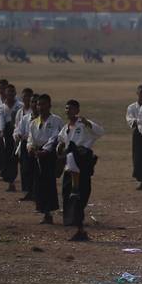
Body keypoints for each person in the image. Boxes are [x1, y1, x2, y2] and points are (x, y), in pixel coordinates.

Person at [57, 100, 104, 241]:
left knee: (79, 194)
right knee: (67, 194)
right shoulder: (65, 128)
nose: (68, 111)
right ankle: (72, 223)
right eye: (66, 108)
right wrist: (59, 147)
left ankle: (79, 228)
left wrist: (87, 123)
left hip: (83, 162)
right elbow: (61, 142)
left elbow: (100, 132)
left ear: (77, 110)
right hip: (69, 167)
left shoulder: (83, 124)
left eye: (71, 108)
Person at [27, 94, 64, 224]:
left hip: (50, 155)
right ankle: (43, 211)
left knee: (49, 183)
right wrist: (30, 147)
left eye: (43, 104)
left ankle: (49, 211)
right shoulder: (34, 122)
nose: (40, 107)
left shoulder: (56, 120)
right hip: (36, 154)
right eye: (38, 104)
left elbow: (55, 137)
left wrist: (45, 150)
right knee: (38, 183)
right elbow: (30, 137)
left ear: (49, 105)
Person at [0, 83, 22, 193]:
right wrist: (0, 131)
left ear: (15, 93)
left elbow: (21, 120)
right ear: (5, 93)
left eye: (12, 92)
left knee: (14, 158)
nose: (10, 94)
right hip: (5, 134)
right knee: (5, 157)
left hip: (17, 133)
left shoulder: (20, 106)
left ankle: (12, 182)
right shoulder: (1, 107)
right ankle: (9, 180)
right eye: (8, 92)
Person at [125, 84, 142, 191]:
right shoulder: (132, 107)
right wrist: (140, 122)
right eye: (141, 92)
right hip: (138, 134)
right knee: (138, 157)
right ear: (137, 93)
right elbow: (130, 120)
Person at [13, 88, 36, 201]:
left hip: (37, 146)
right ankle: (28, 192)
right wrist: (17, 135)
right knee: (25, 169)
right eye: (32, 102)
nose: (33, 104)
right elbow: (17, 128)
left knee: (35, 170)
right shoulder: (23, 115)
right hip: (24, 144)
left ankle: (35, 192)